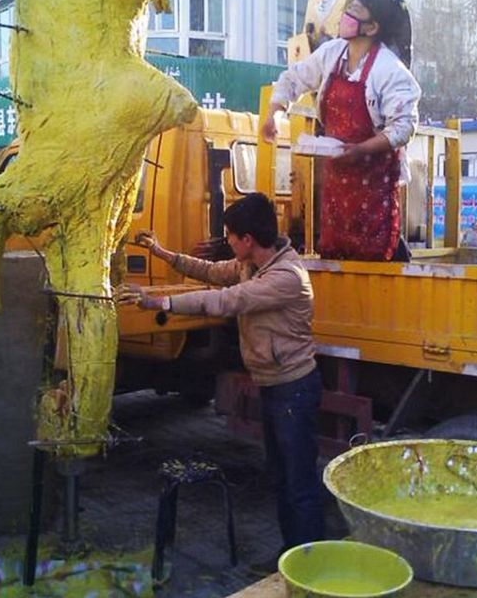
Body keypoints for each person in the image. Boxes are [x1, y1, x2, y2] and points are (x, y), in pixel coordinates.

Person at [118, 192, 324, 552]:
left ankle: (311, 559)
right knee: (280, 477)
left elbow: (225, 300)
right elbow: (211, 273)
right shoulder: (252, 264)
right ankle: (293, 552)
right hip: (275, 387)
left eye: (230, 235)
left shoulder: (285, 276)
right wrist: (163, 253)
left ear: (247, 239)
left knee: (299, 483)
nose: (226, 242)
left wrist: (162, 302)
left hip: (293, 390)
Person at [262, 0, 421, 262]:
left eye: (355, 12)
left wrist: (360, 150)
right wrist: (274, 114)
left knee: (374, 251)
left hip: (375, 178)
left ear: (371, 28)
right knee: (336, 248)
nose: (345, 16)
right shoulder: (332, 53)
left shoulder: (391, 70)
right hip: (337, 174)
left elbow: (403, 127)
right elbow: (293, 79)